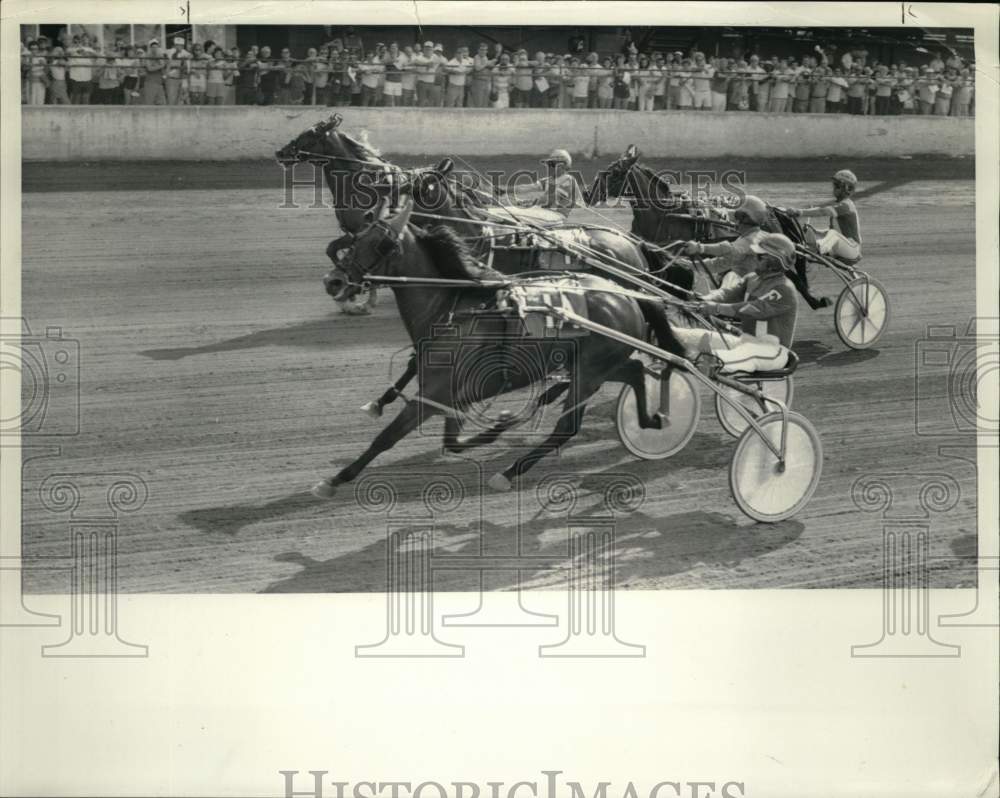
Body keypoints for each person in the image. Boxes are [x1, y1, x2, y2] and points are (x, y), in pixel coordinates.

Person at [677, 233, 799, 375]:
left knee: (715, 359)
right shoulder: (752, 278)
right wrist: (705, 299)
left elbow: (751, 308)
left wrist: (716, 308)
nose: (754, 258)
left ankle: (713, 362)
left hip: (773, 351)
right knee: (688, 336)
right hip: (745, 341)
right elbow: (727, 293)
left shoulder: (784, 289)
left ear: (774, 262)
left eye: (759, 257)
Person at [680, 194, 770, 281]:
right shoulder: (759, 236)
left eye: (737, 216)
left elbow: (728, 249)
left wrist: (699, 248)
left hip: (750, 290)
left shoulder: (751, 239)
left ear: (744, 218)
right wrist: (690, 265)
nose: (734, 220)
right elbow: (719, 264)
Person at [784, 169, 862, 263]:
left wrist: (799, 212)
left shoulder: (846, 205)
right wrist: (814, 231)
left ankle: (817, 250)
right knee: (811, 230)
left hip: (852, 249)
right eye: (834, 185)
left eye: (837, 185)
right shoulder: (838, 204)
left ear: (847, 189)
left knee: (833, 234)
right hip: (840, 248)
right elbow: (829, 230)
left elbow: (823, 212)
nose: (834, 188)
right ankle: (808, 247)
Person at [513, 149, 580, 217]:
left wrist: (531, 202)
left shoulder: (568, 180)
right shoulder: (549, 180)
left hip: (558, 216)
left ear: (563, 166)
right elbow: (526, 187)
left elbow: (551, 198)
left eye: (552, 164)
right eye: (548, 164)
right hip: (546, 214)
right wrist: (505, 190)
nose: (549, 167)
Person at [164, 36, 191, 105]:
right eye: (177, 45)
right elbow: (169, 56)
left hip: (182, 79)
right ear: (174, 45)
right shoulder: (169, 51)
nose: (178, 46)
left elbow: (190, 57)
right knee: (171, 101)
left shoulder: (185, 53)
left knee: (180, 101)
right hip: (171, 79)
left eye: (181, 45)